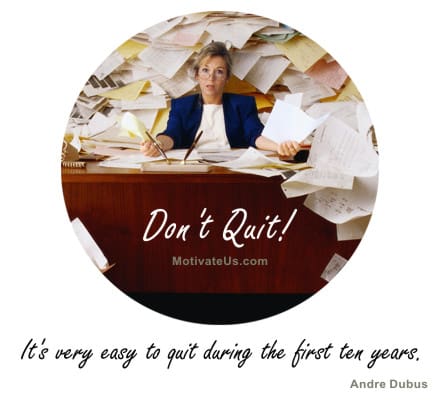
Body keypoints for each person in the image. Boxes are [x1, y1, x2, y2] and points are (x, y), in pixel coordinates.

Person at [141, 41, 301, 157]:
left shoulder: (243, 105)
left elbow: (255, 134)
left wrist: (279, 146)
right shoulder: (182, 106)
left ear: (226, 77)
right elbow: (172, 134)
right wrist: (158, 145)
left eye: (219, 71)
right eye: (205, 70)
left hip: (231, 169)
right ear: (197, 75)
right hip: (194, 169)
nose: (211, 77)